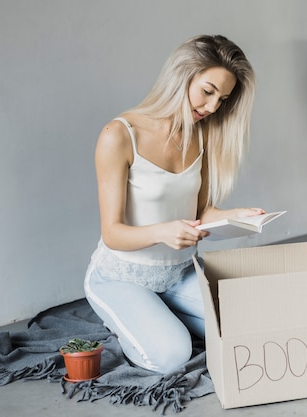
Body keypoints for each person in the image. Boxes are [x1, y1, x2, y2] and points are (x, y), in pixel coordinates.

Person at [84, 34, 264, 374]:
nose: (212, 108)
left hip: (178, 273)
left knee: (251, 323)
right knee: (172, 356)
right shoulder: (119, 135)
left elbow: (200, 213)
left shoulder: (202, 134)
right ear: (182, 75)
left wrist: (236, 215)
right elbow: (113, 234)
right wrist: (162, 232)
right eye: (208, 91)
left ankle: (164, 311)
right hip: (120, 277)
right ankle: (134, 315)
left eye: (222, 99)